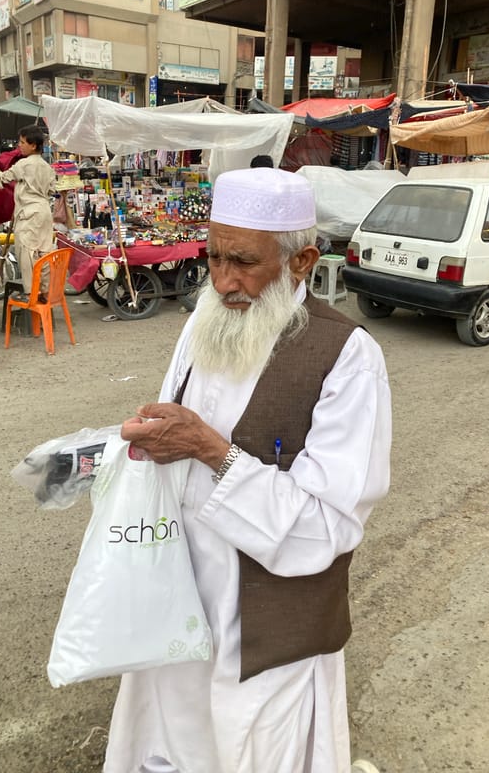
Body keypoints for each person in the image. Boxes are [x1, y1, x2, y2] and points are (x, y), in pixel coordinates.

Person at [103, 167, 391, 773]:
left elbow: (329, 524)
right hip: (180, 606)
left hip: (266, 631)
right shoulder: (203, 318)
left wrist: (212, 451)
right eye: (212, 257)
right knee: (173, 744)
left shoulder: (348, 357)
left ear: (301, 261)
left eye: (243, 262)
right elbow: (170, 433)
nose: (223, 281)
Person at [0, 125, 56, 300]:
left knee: (27, 253)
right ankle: (46, 290)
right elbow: (52, 190)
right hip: (44, 212)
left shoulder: (24, 164)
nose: (19, 146)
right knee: (44, 252)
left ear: (33, 145)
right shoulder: (47, 167)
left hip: (29, 213)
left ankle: (32, 292)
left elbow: (2, 179)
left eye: (22, 142)